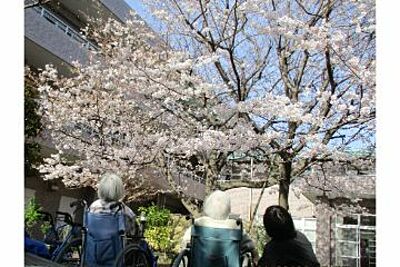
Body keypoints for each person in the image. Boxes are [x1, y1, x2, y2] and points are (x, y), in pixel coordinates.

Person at [181, 190, 259, 266]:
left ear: (207, 206)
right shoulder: (234, 227)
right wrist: (255, 256)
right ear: (228, 208)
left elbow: (184, 245)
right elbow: (251, 247)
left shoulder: (198, 224)